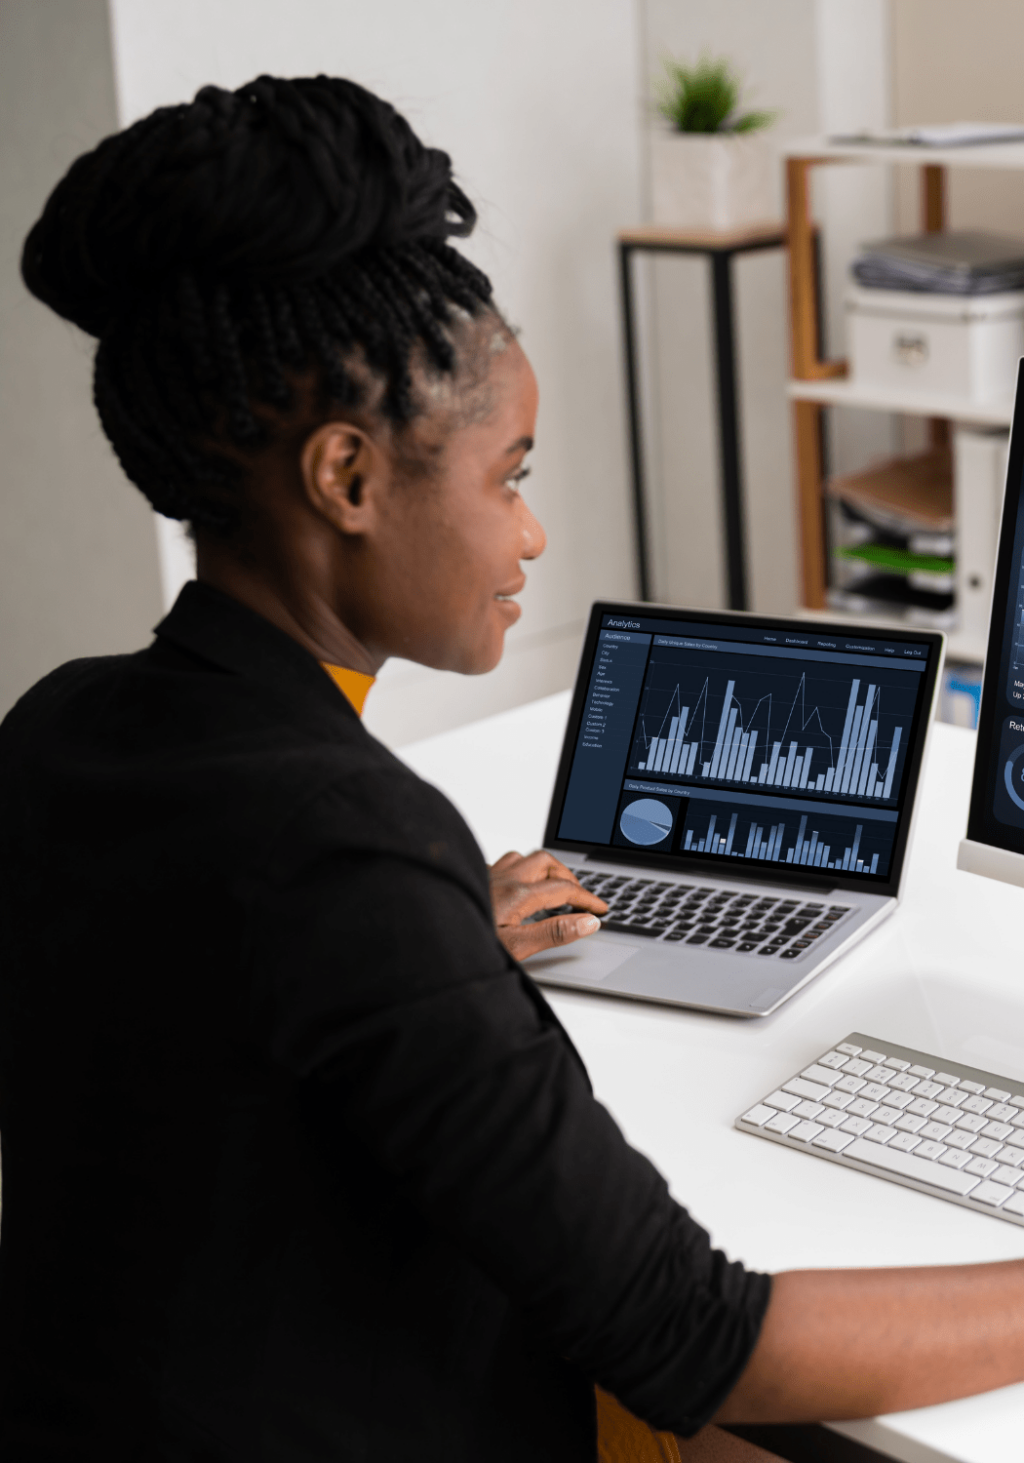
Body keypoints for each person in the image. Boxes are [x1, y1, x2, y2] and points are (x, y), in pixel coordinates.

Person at [2, 73, 1024, 1463]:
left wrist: (430, 942)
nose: (531, 538)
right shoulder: (347, 845)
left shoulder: (64, 726)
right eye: (510, 476)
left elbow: (209, 1007)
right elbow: (694, 1333)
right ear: (347, 479)